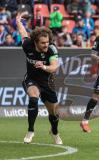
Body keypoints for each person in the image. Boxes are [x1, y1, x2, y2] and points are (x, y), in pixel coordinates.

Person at [16, 12, 63, 144]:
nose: (46, 45)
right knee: (33, 98)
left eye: (47, 42)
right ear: (36, 42)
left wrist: (44, 67)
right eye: (43, 43)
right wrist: (19, 22)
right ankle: (31, 130)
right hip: (31, 79)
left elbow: (54, 67)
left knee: (54, 114)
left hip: (47, 82)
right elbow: (22, 33)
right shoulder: (27, 45)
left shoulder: (51, 49)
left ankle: (55, 132)